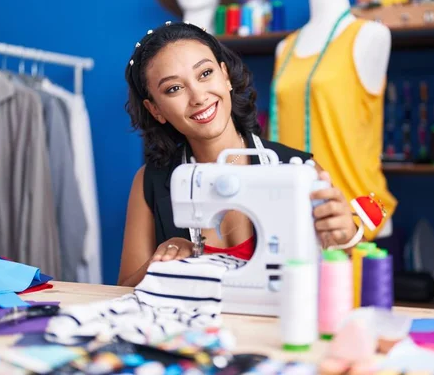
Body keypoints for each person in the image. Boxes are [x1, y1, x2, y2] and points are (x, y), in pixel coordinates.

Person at [118, 21, 359, 287]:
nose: (198, 96)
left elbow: (343, 275)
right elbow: (124, 289)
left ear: (225, 76)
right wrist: (165, 257)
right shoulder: (149, 182)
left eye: (205, 73)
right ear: (155, 110)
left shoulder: (300, 171)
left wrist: (346, 238)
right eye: (174, 88)